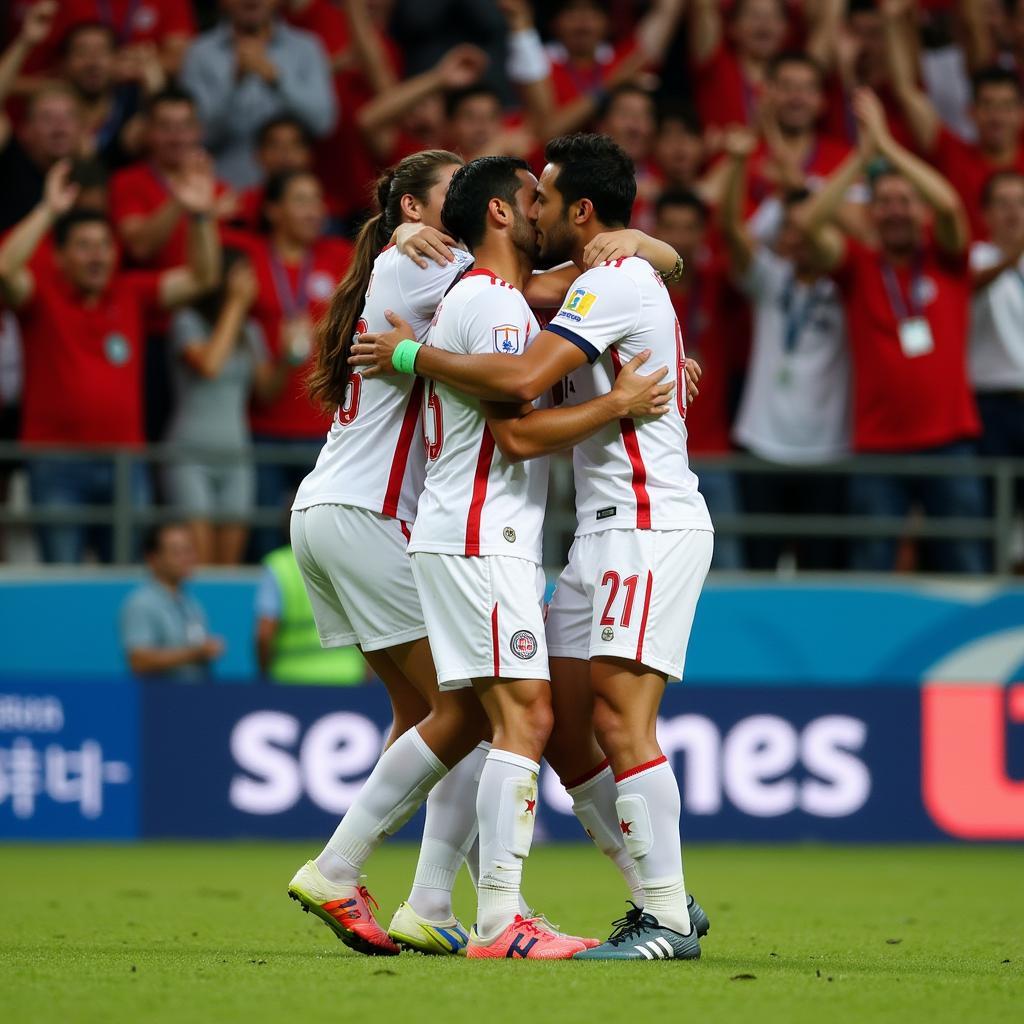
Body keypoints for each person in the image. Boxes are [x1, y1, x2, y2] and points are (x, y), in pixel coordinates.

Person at [291, 149, 680, 960]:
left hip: (386, 515)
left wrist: (644, 251)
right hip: (434, 524)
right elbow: (514, 408)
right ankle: (482, 910)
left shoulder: (460, 281)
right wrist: (615, 394)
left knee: (460, 715)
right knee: (511, 715)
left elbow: (563, 303)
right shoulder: (447, 273)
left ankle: (426, 898)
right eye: (528, 197)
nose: (541, 209)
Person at [798, 88, 986, 574]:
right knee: (870, 568)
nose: (897, 209)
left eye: (905, 200)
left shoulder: (948, 259)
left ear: (917, 210)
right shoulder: (859, 265)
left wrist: (888, 146)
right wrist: (862, 158)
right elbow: (809, 223)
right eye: (884, 202)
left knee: (966, 563)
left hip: (951, 441)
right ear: (871, 214)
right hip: (878, 446)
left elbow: (948, 206)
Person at [0, 156, 221, 563]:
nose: (97, 256)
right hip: (55, 463)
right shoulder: (41, 296)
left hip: (125, 463)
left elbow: (202, 278)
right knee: (62, 585)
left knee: (123, 580)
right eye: (83, 247)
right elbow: (3, 268)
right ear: (59, 256)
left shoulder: (130, 293)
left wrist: (201, 216)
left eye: (104, 246)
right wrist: (48, 211)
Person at [721, 127, 850, 571]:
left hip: (830, 448)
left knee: (823, 571)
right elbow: (731, 232)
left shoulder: (850, 284)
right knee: (759, 567)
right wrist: (739, 161)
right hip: (763, 442)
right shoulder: (771, 278)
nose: (799, 239)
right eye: (791, 231)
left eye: (807, 231)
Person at [244, 169, 354, 557]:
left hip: (324, 426)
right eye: (301, 200)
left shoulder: (341, 256)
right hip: (264, 426)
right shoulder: (251, 258)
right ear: (273, 210)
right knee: (262, 544)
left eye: (316, 200)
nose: (313, 210)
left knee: (324, 543)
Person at [166, 254, 280, 566]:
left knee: (228, 569)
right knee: (198, 564)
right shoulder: (187, 321)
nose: (250, 285)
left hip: (236, 456)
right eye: (241, 276)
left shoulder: (250, 330)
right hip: (190, 455)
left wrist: (289, 357)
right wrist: (236, 305)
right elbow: (210, 364)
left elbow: (266, 391)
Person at [653, 189, 743, 570]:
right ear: (653, 230)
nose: (679, 238)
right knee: (660, 570)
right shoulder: (640, 289)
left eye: (689, 228)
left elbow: (746, 252)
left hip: (712, 454)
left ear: (704, 234)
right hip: (657, 456)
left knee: (727, 567)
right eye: (670, 227)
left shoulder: (719, 282)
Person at [883, 0, 1024, 240]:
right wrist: (891, 20)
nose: (997, 116)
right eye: (988, 105)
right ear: (971, 112)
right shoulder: (952, 153)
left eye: (1006, 106)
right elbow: (906, 90)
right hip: (965, 272)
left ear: (1021, 114)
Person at [180, 0, 336, 189]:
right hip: (223, 193)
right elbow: (195, 137)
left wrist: (277, 81)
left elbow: (323, 123)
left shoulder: (306, 48)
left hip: (289, 200)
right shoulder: (200, 53)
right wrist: (234, 85)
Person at [969, 170, 1024, 523]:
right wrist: (1010, 258)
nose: (1013, 213)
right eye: (1002, 204)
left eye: (1020, 203)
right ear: (986, 214)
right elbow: (968, 286)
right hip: (990, 408)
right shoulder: (974, 257)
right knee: (992, 516)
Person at [0, 4, 86, 230]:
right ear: (26, 130)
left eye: (67, 117)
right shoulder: (10, 160)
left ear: (82, 129)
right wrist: (26, 42)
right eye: (47, 118)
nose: (59, 125)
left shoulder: (93, 168)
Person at [120, 523, 224, 681]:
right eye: (176, 552)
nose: (186, 558)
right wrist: (195, 653)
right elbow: (138, 660)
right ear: (153, 559)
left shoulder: (191, 604)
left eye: (189, 550)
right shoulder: (141, 603)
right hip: (158, 701)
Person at [255, 542, 366, 683]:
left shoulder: (279, 565)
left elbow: (264, 634)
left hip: (290, 680)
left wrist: (264, 672)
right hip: (348, 676)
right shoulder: (351, 559)